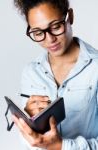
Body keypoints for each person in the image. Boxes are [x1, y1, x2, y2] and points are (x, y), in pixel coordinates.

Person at [12, 0, 98, 149]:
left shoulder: (95, 68)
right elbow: (29, 143)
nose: (50, 39)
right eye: (38, 33)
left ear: (69, 17)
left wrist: (61, 146)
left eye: (56, 26)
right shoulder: (31, 72)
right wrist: (29, 125)